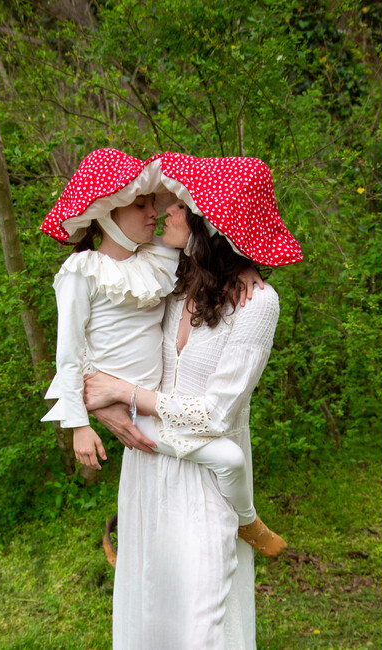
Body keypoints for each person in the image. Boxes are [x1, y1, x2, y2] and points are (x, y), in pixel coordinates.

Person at [83, 151, 303, 649]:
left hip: (206, 478)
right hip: (147, 465)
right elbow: (98, 327)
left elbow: (216, 413)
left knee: (204, 610)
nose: (167, 211)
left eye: (183, 205)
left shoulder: (257, 303)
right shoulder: (172, 281)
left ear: (212, 226)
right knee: (148, 599)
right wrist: (100, 402)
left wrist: (125, 393)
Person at [40, 148, 283, 548]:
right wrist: (80, 421)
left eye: (164, 203)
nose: (159, 211)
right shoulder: (82, 272)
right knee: (225, 464)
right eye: (142, 204)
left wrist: (243, 265)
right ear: (107, 212)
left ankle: (244, 522)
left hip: (163, 413)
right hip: (140, 419)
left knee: (228, 461)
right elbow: (70, 352)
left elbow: (216, 242)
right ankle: (246, 521)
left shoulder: (159, 263)